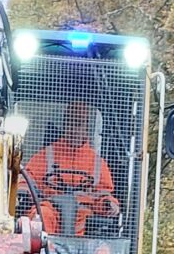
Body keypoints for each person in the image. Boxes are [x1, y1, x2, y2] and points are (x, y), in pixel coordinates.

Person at [23, 98, 120, 239]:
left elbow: (104, 194)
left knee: (102, 248)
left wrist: (108, 205)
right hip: (52, 208)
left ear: (86, 126)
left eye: (79, 123)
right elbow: (26, 179)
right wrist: (23, 192)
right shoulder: (46, 154)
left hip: (83, 216)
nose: (74, 128)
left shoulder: (98, 163)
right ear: (64, 124)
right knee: (41, 216)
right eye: (71, 122)